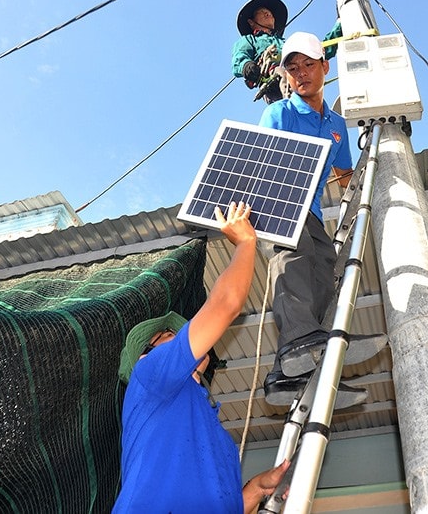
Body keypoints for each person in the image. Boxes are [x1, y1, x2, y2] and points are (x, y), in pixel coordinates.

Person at [112, 201, 289, 513]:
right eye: (169, 335)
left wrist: (255, 490)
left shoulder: (216, 437)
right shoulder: (150, 375)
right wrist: (246, 243)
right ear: (145, 356)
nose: (181, 337)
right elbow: (225, 304)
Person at [258, 32, 386, 408]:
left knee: (325, 271)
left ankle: (290, 372)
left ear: (325, 68)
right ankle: (299, 339)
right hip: (282, 199)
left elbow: (345, 173)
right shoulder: (278, 113)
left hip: (312, 212)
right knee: (292, 257)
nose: (301, 74)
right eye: (292, 68)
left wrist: (371, 186)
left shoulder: (335, 124)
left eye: (308, 65)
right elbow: (268, 161)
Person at [231, 0, 342, 104]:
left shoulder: (286, 44)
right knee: (283, 76)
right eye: (261, 12)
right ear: (251, 22)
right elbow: (239, 58)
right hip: (274, 82)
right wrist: (247, 67)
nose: (268, 13)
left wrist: (340, 23)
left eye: (270, 13)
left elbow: (318, 51)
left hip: (297, 79)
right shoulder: (249, 40)